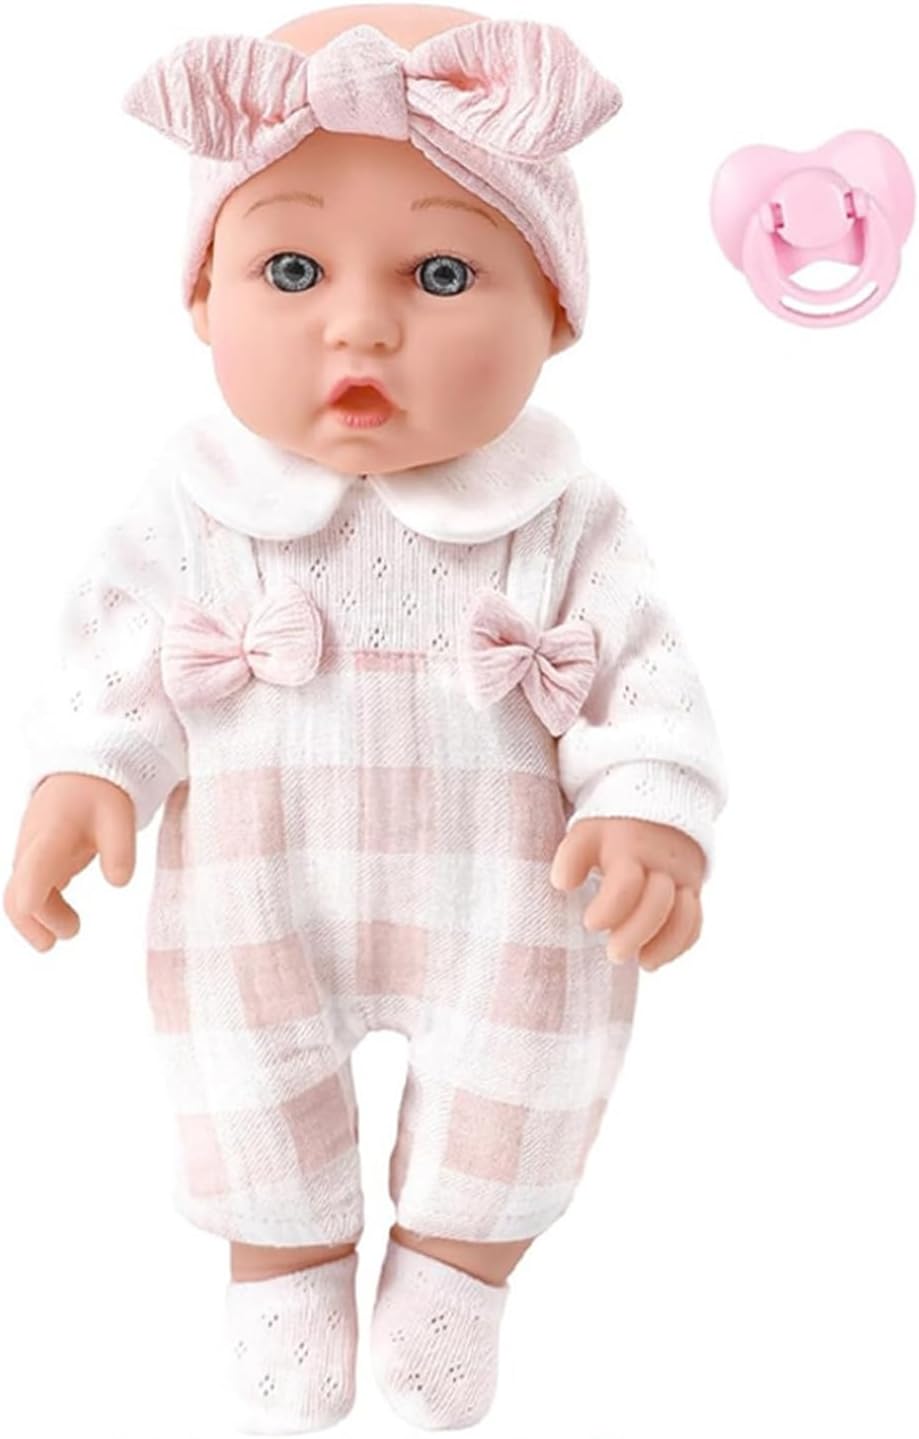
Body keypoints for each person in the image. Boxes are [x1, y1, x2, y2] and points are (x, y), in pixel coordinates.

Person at [4, 5, 727, 1431]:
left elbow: (644, 665)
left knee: (530, 1069)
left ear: (555, 315)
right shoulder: (194, 504)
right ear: (204, 302)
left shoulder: (564, 512)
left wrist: (649, 805)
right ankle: (281, 1269)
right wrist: (87, 772)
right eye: (292, 269)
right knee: (238, 1071)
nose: (360, 323)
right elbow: (117, 650)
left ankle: (462, 1268)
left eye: (442, 273)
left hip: (509, 894)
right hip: (257, 888)